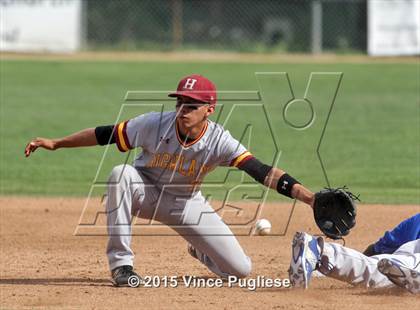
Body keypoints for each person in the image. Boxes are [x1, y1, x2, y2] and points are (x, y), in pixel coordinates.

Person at [25, 74, 315, 286]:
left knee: (241, 271)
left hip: (185, 204)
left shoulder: (219, 141)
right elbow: (105, 134)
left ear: (209, 110)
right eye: (181, 103)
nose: (183, 110)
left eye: (192, 105)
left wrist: (309, 197)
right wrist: (56, 143)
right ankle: (121, 266)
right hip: (145, 192)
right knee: (120, 174)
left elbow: (261, 170)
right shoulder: (154, 123)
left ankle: (199, 249)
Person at [289, 213, 420, 293]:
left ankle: (320, 252)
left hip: (409, 254)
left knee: (377, 272)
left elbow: (378, 249)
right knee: (386, 274)